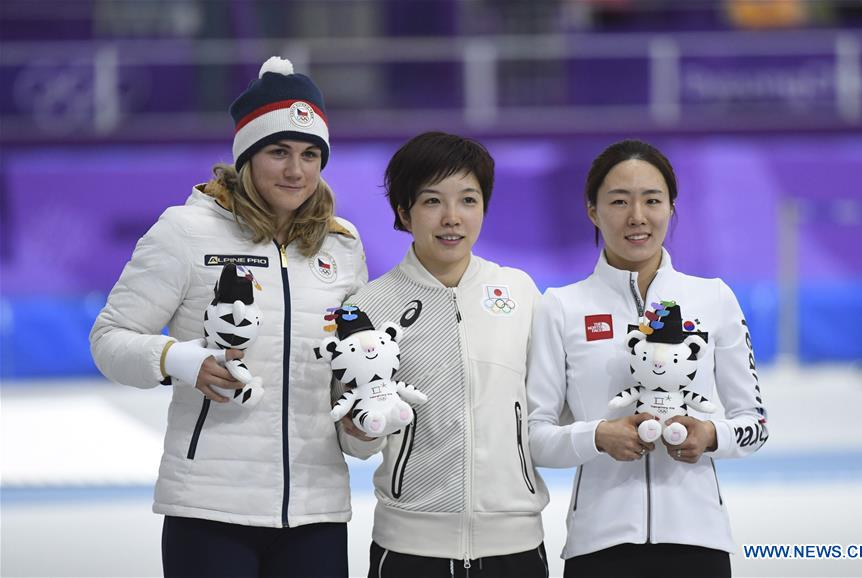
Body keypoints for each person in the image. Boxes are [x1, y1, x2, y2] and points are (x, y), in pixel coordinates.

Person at [90, 56, 367, 578]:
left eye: (311, 154)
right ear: (246, 155)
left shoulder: (341, 246)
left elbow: (343, 371)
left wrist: (364, 425)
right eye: (278, 151)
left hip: (316, 507)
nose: (296, 169)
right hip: (210, 510)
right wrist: (176, 359)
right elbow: (108, 340)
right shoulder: (185, 232)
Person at [526, 139, 769, 578]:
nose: (637, 216)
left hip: (699, 545)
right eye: (619, 201)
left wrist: (711, 435)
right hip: (598, 547)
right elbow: (535, 435)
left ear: (671, 208)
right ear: (592, 211)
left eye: (652, 200)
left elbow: (756, 424)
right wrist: (598, 436)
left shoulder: (713, 297)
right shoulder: (560, 306)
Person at [339, 131, 550, 578]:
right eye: (433, 201)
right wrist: (360, 429)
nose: (452, 218)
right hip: (410, 548)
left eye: (468, 200)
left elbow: (551, 408)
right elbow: (352, 441)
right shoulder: (369, 307)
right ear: (404, 211)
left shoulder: (519, 292)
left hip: (515, 545)